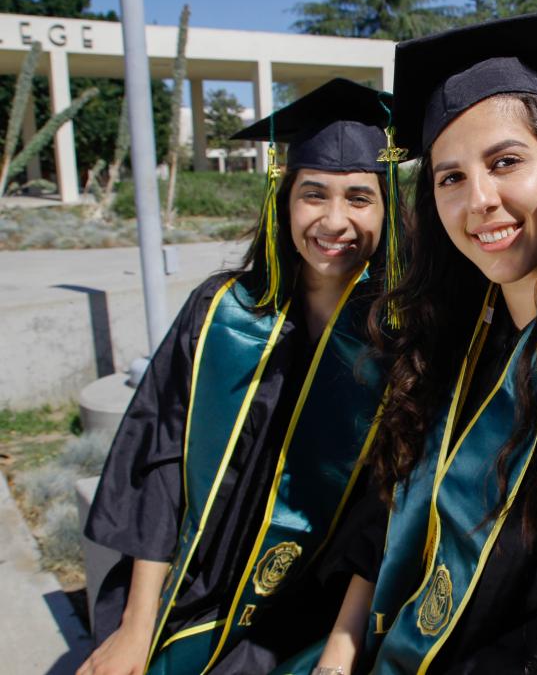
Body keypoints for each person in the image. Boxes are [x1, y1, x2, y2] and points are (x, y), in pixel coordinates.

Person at [311, 6, 537, 675]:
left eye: (505, 161)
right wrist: (339, 654)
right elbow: (388, 512)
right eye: (450, 176)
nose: (478, 198)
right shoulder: (449, 336)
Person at [79, 78, 402, 675]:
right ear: (283, 201)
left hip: (309, 606)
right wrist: (137, 625)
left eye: (360, 197)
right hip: (186, 585)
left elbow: (388, 506)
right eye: (313, 194)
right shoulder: (220, 311)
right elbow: (161, 458)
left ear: (387, 211)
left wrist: (343, 643)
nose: (335, 220)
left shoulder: (402, 342)